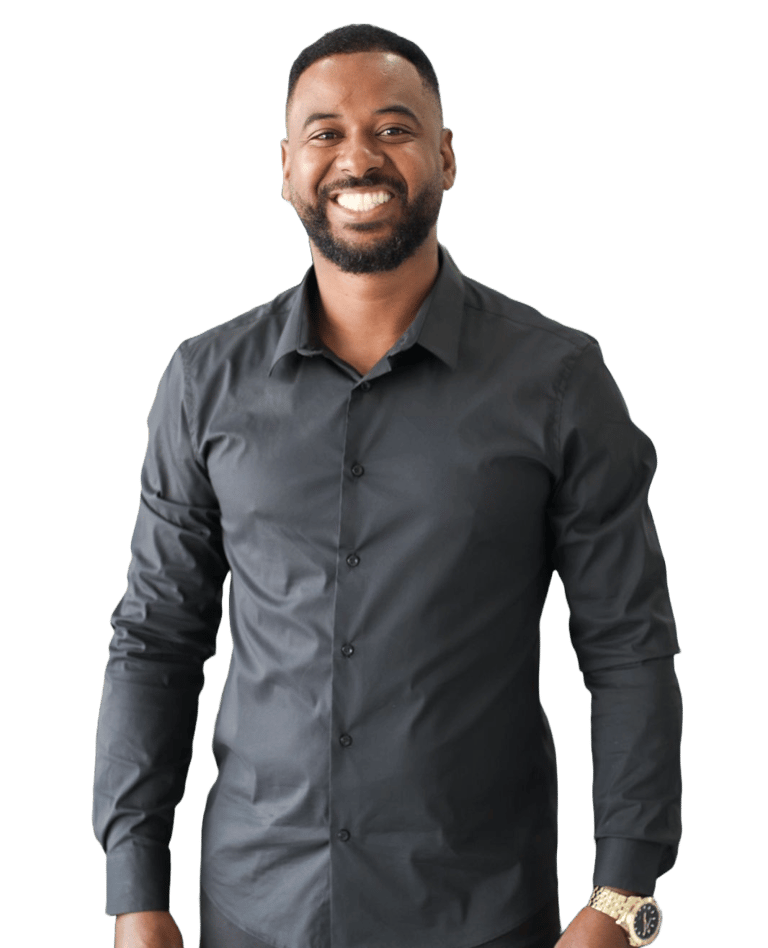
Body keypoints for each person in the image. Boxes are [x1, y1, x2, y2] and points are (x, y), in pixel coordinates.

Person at [93, 23, 683, 948]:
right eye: (325, 132)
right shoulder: (204, 381)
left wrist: (621, 897)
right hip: (255, 913)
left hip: (481, 915)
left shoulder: (559, 381)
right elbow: (156, 636)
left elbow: (627, 645)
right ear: (287, 168)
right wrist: (135, 891)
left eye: (394, 128)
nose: (358, 156)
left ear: (445, 156)